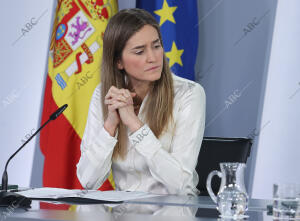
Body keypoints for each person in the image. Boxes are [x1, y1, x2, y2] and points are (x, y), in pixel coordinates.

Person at [76, 8, 206, 196]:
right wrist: (110, 125)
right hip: (123, 213)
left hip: (174, 212)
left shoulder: (189, 94)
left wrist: (135, 125)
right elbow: (88, 181)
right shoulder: (103, 95)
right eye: (139, 51)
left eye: (156, 46)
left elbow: (180, 183)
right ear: (118, 62)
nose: (153, 58)